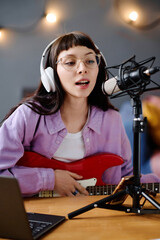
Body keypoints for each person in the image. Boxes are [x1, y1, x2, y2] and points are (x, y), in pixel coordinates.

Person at [0, 31, 159, 197]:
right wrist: (49, 180)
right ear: (51, 73)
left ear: (99, 70)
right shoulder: (28, 115)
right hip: (38, 216)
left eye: (90, 61)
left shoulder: (112, 119)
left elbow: (123, 177)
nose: (82, 69)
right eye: (70, 62)